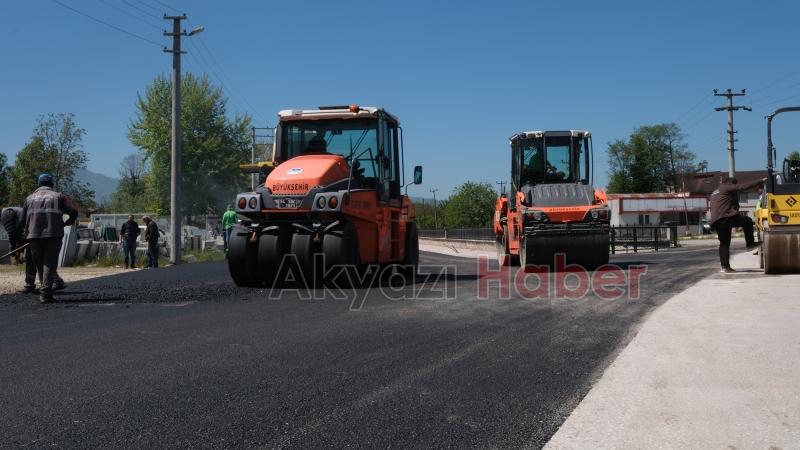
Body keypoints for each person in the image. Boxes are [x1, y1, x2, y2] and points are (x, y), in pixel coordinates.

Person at [22, 174, 78, 303]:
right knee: (49, 263)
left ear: (38, 184)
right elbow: (74, 211)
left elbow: (22, 219)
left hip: (33, 236)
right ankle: (46, 293)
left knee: (40, 264)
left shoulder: (29, 198)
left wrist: (25, 235)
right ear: (52, 184)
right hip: (53, 234)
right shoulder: (59, 196)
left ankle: (45, 290)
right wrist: (68, 222)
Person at [709, 176, 767, 273]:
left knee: (724, 243)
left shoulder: (716, 191)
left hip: (716, 220)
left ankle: (725, 267)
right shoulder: (727, 186)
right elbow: (743, 186)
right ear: (732, 183)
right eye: (735, 185)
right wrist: (760, 181)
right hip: (726, 217)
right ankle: (750, 244)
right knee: (748, 221)